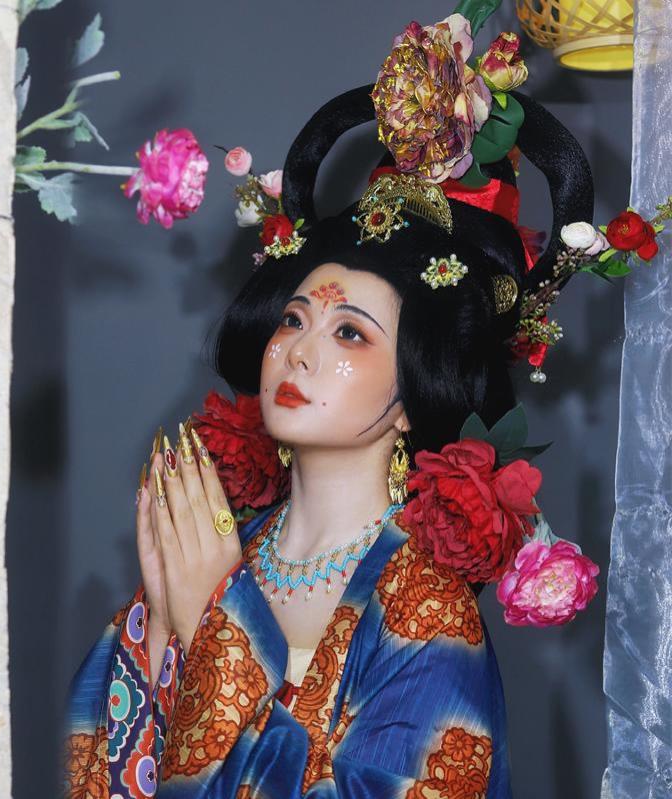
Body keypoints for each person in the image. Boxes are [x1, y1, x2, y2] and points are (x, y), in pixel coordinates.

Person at [62, 7, 601, 798]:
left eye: (350, 332)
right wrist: (162, 637)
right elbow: (100, 764)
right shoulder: (220, 545)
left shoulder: (425, 610)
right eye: (293, 318)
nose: (300, 349)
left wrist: (215, 620)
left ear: (413, 390)